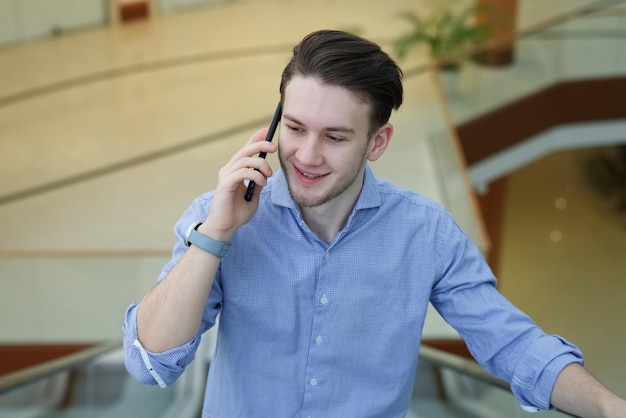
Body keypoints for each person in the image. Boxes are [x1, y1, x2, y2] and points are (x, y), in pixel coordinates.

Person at [123, 30, 626, 417]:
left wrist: (608, 407)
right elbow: (150, 364)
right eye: (295, 128)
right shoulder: (219, 217)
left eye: (335, 137)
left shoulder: (426, 233)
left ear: (377, 143)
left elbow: (512, 342)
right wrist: (215, 235)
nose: (307, 155)